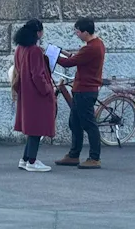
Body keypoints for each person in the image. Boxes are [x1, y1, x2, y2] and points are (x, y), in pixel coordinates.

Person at [54, 17, 106, 169]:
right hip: (82, 90)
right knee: (75, 123)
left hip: (85, 90)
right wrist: (60, 51)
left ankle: (94, 157)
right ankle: (73, 155)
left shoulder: (91, 48)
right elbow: (76, 57)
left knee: (89, 124)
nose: (76, 34)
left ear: (85, 32)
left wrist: (51, 56)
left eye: (77, 31)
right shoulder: (97, 44)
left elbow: (69, 62)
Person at [11, 19, 55, 172]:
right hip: (36, 94)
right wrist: (47, 89)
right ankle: (32, 161)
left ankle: (25, 158)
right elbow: (37, 75)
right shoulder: (34, 50)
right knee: (37, 126)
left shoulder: (20, 49)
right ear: (38, 32)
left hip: (25, 92)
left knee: (31, 127)